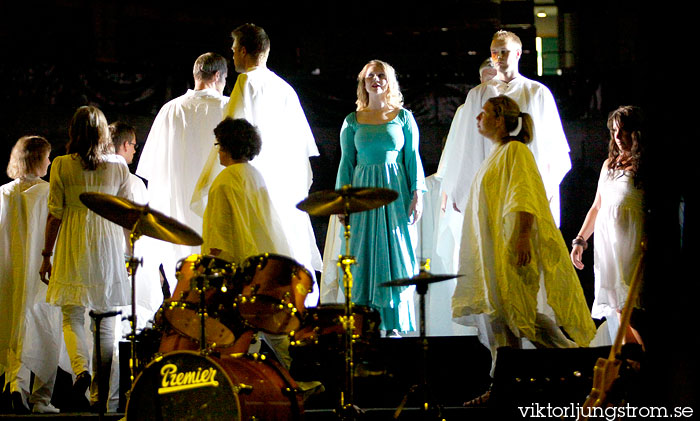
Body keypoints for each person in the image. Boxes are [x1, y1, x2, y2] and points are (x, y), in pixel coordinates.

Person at [451, 95, 595, 403]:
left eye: (485, 113)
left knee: (520, 315)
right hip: (495, 251)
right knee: (502, 317)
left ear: (500, 119)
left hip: (511, 249)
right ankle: (503, 386)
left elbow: (525, 196)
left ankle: (582, 362)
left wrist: (521, 238)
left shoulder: (515, 151)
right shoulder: (498, 153)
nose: (478, 119)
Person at [191, 24, 322, 306]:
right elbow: (303, 149)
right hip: (285, 186)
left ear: (244, 51)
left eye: (234, 49)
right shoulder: (286, 89)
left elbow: (233, 131)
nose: (233, 55)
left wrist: (205, 182)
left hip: (254, 181)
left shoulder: (247, 82)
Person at [39, 106, 132, 412]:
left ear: (73, 132)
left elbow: (55, 215)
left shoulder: (62, 165)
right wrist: (129, 254)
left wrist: (46, 255)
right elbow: (127, 215)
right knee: (106, 323)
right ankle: (102, 397)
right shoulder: (119, 165)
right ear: (105, 133)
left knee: (72, 314)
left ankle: (81, 369)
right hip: (107, 245)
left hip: (73, 243)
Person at [330, 59, 426, 336]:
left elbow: (412, 158)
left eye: (381, 75)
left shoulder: (404, 117)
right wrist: (341, 200)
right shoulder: (352, 121)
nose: (376, 80)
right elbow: (346, 162)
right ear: (363, 82)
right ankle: (363, 322)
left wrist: (417, 193)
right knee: (360, 252)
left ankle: (393, 324)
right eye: (371, 76)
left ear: (389, 81)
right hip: (361, 194)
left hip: (394, 193)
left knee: (395, 251)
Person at [438, 30, 571, 227]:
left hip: (527, 182)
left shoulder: (538, 93)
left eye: (504, 51)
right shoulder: (478, 94)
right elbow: (467, 145)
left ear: (518, 53)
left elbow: (552, 146)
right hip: (491, 183)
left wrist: (548, 186)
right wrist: (461, 188)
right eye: (494, 52)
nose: (498, 57)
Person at [136, 52, 229, 293]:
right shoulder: (228, 107)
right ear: (218, 76)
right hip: (217, 208)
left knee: (183, 287)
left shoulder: (170, 109)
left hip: (176, 214)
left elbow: (151, 171)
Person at [570, 105, 646, 345]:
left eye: (623, 131)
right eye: (614, 131)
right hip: (608, 245)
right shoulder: (608, 165)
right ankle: (629, 364)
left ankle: (646, 362)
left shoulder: (644, 165)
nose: (618, 137)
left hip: (631, 244)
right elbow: (597, 206)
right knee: (617, 310)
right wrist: (580, 240)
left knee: (631, 310)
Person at [1, 136, 65, 414]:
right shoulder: (47, 192)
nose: (50, 162)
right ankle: (41, 398)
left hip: (9, 271)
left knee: (16, 326)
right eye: (47, 156)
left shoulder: (5, 192)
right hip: (41, 272)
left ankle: (16, 384)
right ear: (38, 158)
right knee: (46, 328)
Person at [202, 117, 291, 263]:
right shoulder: (254, 174)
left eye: (218, 145)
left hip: (239, 266)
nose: (217, 151)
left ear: (227, 146)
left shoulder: (224, 180)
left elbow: (219, 235)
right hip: (265, 261)